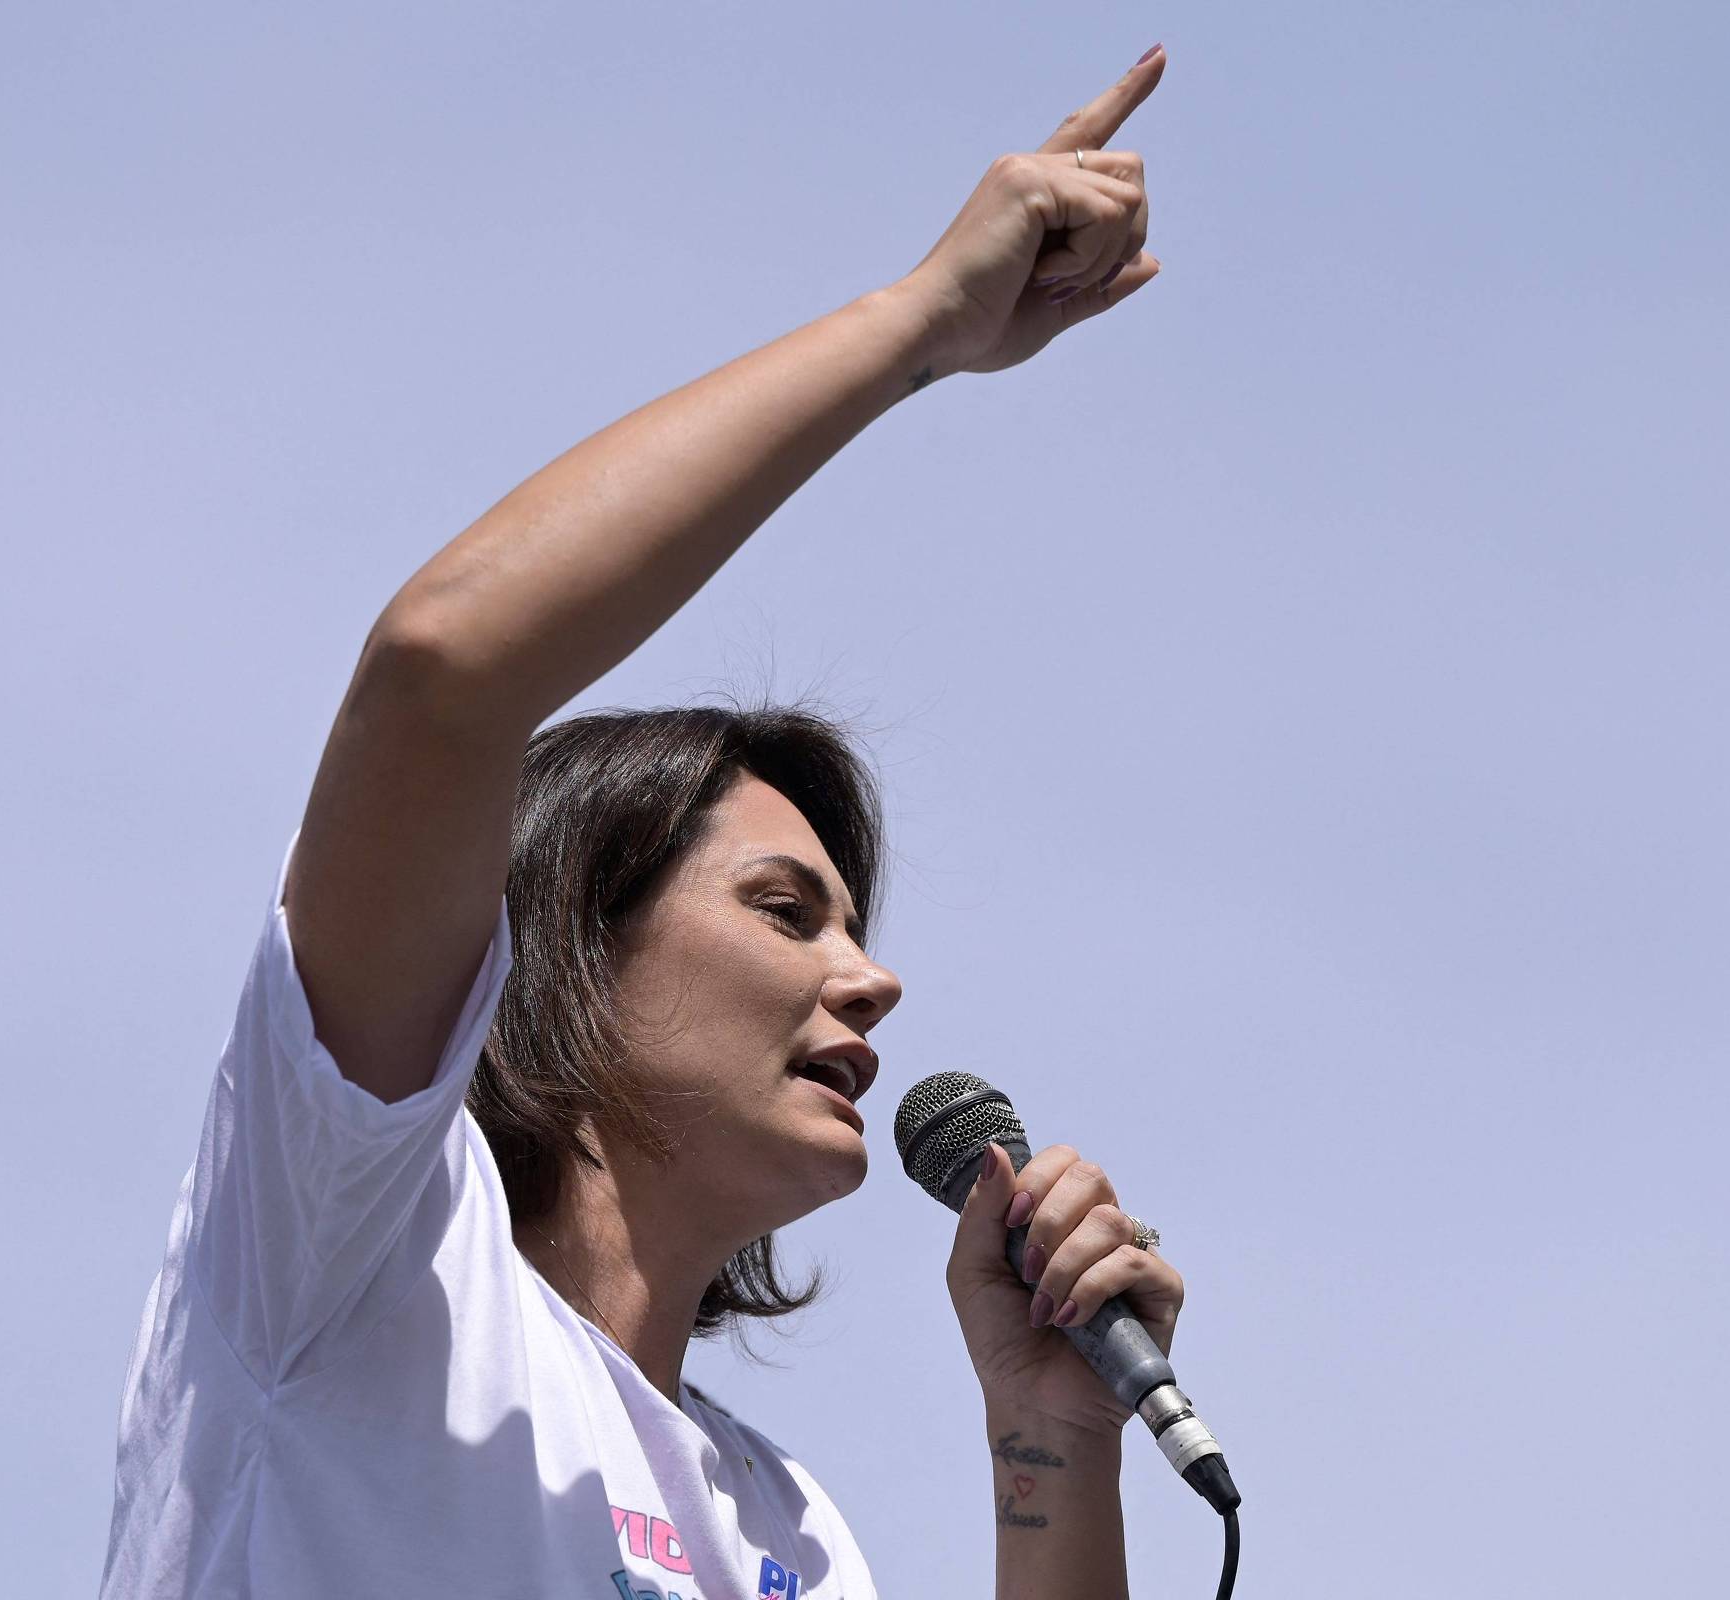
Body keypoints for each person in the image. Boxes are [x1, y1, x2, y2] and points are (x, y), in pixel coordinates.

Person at [102, 46, 1181, 1600]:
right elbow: (441, 670)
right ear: (565, 947)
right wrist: (921, 324)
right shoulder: (351, 1250)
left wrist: (1053, 1442)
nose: (873, 980)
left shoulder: (791, 1532)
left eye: (855, 928)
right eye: (785, 910)